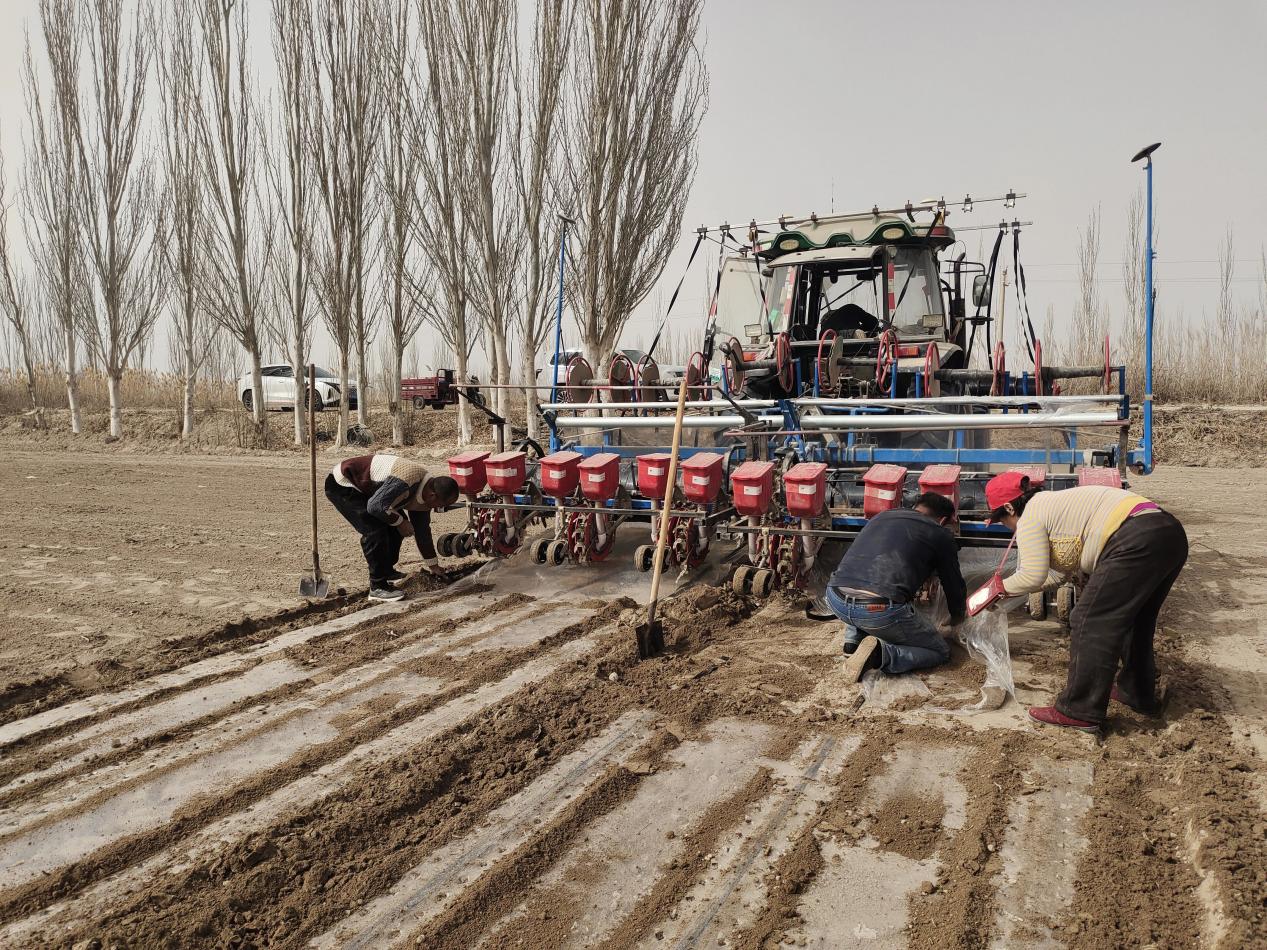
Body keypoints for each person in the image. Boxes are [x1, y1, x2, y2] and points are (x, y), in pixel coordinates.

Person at [984, 471, 1188, 733]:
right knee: (1136, 619)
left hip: (1133, 538)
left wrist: (995, 591)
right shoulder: (1054, 505)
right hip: (1167, 533)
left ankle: (1079, 710)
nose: (1007, 527)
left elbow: (1031, 575)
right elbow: (1053, 574)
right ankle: (1137, 692)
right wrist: (1007, 592)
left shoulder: (1031, 515)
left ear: (1010, 507)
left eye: (1003, 521)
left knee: (1088, 620)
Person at [825, 492, 967, 682]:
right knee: (939, 651)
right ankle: (882, 655)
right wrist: (958, 618)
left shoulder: (883, 516)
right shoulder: (939, 533)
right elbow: (953, 585)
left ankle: (852, 643)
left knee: (861, 578)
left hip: (836, 598)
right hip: (878, 610)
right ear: (942, 520)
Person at [325, 453, 460, 602]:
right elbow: (375, 506)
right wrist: (400, 522)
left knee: (395, 526)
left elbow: (422, 533)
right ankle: (377, 587)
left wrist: (433, 566)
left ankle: (387, 571)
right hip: (345, 483)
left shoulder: (426, 494)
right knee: (375, 531)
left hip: (375, 493)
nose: (438, 509)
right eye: (440, 505)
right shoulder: (407, 481)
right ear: (433, 496)